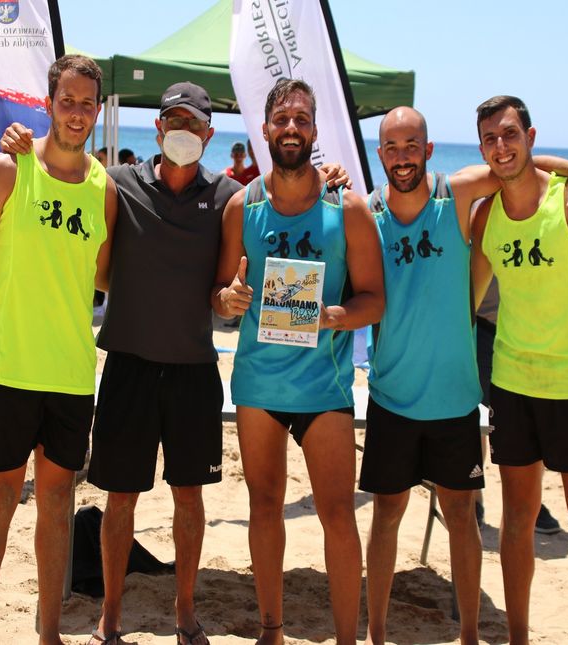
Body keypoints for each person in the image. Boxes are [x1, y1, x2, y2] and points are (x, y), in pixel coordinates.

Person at [1, 80, 351, 645]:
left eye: (194, 125)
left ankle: (185, 611)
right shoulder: (116, 184)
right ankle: (110, 617)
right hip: (129, 366)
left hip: (193, 370)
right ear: (158, 129)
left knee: (190, 498)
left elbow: (235, 269)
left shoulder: (228, 198)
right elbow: (62, 186)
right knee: (119, 498)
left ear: (209, 135)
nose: (183, 133)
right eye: (174, 123)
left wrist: (328, 179)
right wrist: (20, 143)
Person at [361, 107, 568, 645]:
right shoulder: (368, 210)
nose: (402, 156)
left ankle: (469, 634)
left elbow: (516, 165)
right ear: (380, 154)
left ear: (429, 148)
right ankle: (375, 633)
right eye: (391, 147)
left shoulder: (458, 193)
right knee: (386, 516)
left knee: (461, 517)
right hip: (391, 393)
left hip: (455, 397)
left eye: (411, 144)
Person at [0, 54, 117, 645]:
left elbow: (107, 278)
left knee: (57, 504)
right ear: (49, 102)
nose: (78, 112)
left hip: (70, 373)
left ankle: (49, 634)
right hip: (9, 369)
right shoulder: (8, 170)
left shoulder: (103, 189)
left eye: (88, 103)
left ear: (97, 109)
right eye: (69, 100)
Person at [213, 78, 385, 645]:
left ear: (315, 130)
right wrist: (228, 302)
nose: (292, 127)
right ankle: (271, 631)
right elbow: (220, 293)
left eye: (302, 119)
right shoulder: (245, 206)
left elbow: (374, 298)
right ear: (264, 131)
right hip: (259, 383)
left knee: (338, 513)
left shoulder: (347, 207)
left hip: (325, 385)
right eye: (282, 119)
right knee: (264, 506)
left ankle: (344, 639)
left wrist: (340, 316)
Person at [470, 95, 568, 644]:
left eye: (509, 134)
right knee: (517, 523)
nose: (500, 146)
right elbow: (467, 303)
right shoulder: (486, 214)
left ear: (531, 137)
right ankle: (518, 636)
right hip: (512, 387)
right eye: (490, 138)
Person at [475, 278, 563, 536]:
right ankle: (475, 496)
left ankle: (530, 499)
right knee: (477, 414)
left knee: (527, 417)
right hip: (484, 325)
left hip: (528, 331)